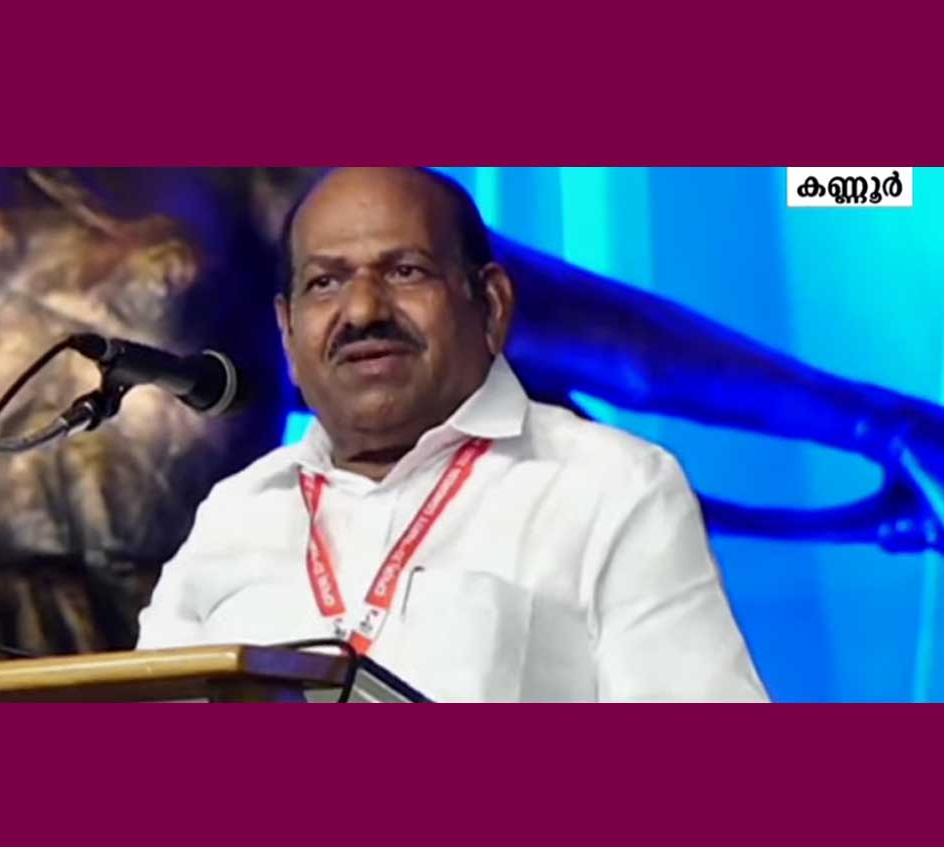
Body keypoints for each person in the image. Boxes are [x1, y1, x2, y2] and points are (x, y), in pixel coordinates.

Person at [136, 167, 768, 701]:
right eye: (325, 282)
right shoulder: (234, 514)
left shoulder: (611, 487)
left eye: (406, 272)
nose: (363, 311)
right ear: (287, 332)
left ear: (490, 306)